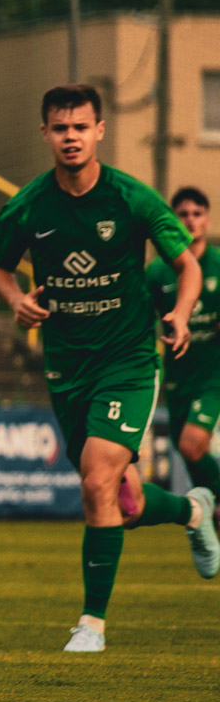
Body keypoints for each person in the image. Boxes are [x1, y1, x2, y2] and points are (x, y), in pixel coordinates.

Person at [0, 83, 218, 653]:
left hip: (129, 360)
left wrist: (182, 315)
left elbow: (186, 266)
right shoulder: (30, 204)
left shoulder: (132, 199)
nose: (71, 137)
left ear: (99, 131)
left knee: (95, 480)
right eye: (60, 128)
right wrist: (17, 301)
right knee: (125, 501)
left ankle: (91, 625)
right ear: (46, 134)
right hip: (67, 368)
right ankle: (193, 509)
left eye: (81, 127)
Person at [149, 186, 220, 498]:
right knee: (188, 449)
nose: (190, 220)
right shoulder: (157, 272)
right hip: (177, 376)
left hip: (212, 378)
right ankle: (210, 511)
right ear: (173, 220)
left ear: (207, 220)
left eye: (197, 214)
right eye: (183, 214)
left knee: (191, 445)